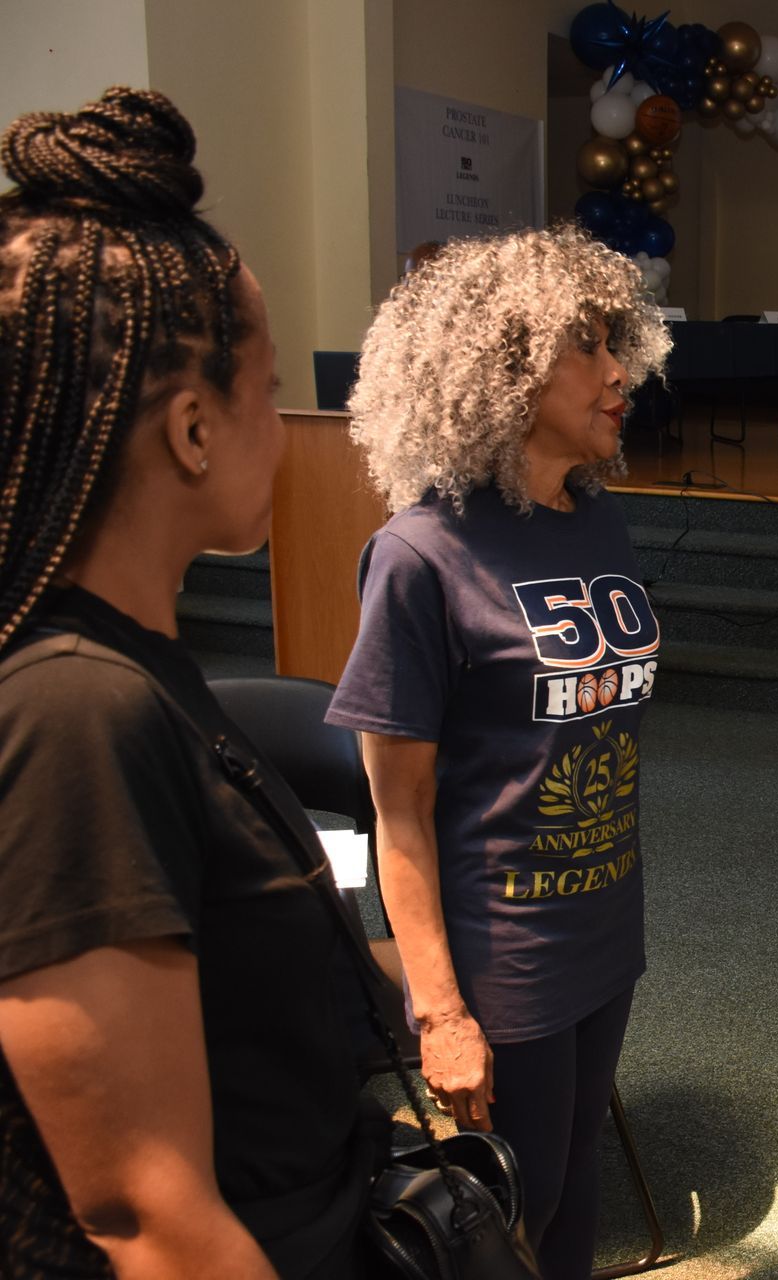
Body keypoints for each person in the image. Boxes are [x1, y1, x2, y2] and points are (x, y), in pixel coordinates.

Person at [0, 88, 377, 1275]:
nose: (285, 423)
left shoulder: (140, 671)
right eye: (266, 390)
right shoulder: (74, 710)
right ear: (194, 427)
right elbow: (144, 1211)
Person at [326, 225, 670, 1279]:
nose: (621, 373)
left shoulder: (593, 520)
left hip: (604, 924)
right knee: (506, 1218)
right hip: (502, 953)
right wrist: (440, 1013)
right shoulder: (420, 556)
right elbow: (401, 815)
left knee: (572, 1203)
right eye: (589, 348)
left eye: (620, 344)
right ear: (503, 369)